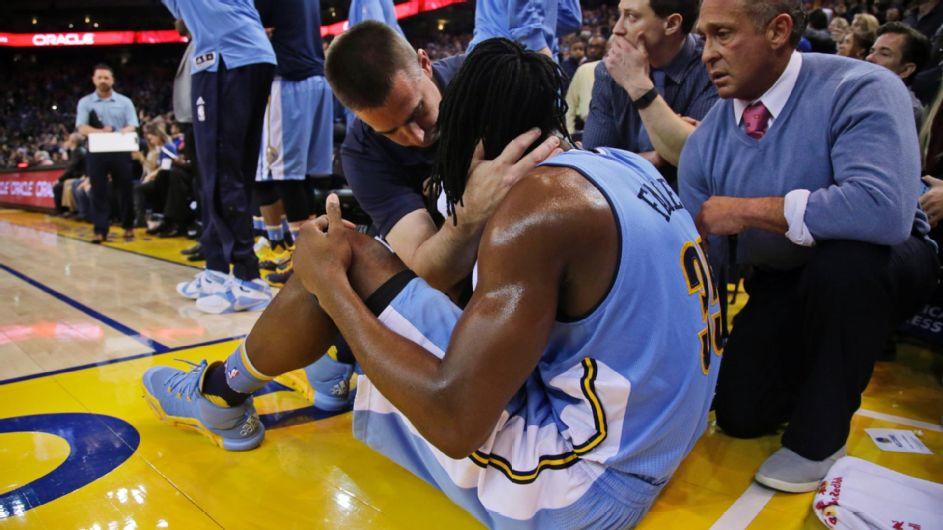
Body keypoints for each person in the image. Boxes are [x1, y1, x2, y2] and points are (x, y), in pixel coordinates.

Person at [142, 38, 721, 529]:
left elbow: (453, 422)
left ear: (466, 126)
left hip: (588, 487)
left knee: (334, 260)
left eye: (432, 122)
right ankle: (303, 374)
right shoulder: (617, 162)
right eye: (395, 131)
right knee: (356, 253)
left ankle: (222, 393)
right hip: (664, 432)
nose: (421, 140)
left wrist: (333, 294)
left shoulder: (535, 210)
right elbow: (426, 265)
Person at [679, 0, 939, 493]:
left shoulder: (861, 86)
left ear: (778, 31)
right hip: (783, 278)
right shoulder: (708, 136)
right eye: (704, 38)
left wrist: (747, 210)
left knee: (845, 263)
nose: (707, 54)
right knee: (739, 412)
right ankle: (814, 372)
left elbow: (883, 211)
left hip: (882, 262)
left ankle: (821, 438)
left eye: (723, 35)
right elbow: (699, 265)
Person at [327, 22, 559, 297]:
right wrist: (469, 214)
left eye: (417, 111)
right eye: (390, 132)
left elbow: (557, 155)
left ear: (424, 63)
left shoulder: (488, 80)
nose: (417, 136)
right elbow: (430, 273)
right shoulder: (361, 153)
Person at [161, 0, 277, 314]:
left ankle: (247, 278)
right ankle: (216, 268)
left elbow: (182, 24)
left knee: (221, 173)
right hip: (253, 53)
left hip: (223, 58)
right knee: (231, 172)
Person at [584, 0, 717, 184]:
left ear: (671, 24)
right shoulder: (609, 70)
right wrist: (656, 156)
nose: (617, 29)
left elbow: (702, 160)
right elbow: (594, 163)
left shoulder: (712, 68)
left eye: (631, 17)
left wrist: (638, 85)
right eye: (619, 15)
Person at [251, 0, 335, 288]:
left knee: (285, 173)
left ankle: (302, 262)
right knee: (303, 175)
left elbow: (254, 32)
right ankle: (310, 253)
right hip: (317, 76)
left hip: (289, 80)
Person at [75, 63, 139, 244]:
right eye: (100, 77)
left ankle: (128, 226)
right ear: (94, 80)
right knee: (98, 191)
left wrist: (123, 131)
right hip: (97, 150)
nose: (103, 80)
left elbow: (132, 124)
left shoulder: (125, 102)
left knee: (125, 188)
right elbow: (82, 127)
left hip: (120, 149)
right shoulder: (85, 102)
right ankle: (100, 230)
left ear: (113, 80)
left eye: (107, 77)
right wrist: (102, 132)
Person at [866, 22, 932, 128]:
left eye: (884, 54)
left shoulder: (908, 110)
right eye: (872, 51)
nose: (869, 58)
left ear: (906, 70)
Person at [467, 0, 582, 55]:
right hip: (514, 56)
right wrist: (536, 42)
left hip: (487, 49)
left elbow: (572, 20)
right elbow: (572, 19)